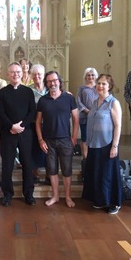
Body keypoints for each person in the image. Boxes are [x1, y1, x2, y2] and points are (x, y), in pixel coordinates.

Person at [36, 71, 79, 207]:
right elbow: (38, 122)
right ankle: (55, 196)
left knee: (67, 170)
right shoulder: (43, 100)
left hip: (65, 140)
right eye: (49, 81)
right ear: (46, 84)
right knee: (52, 170)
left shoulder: (69, 98)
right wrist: (41, 140)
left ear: (59, 81)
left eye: (54, 80)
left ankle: (67, 197)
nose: (52, 83)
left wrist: (73, 138)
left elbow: (76, 119)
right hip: (48, 141)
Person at [82, 74, 122, 214]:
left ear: (109, 86)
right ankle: (100, 200)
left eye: (104, 84)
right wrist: (87, 143)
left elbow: (118, 126)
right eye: (98, 83)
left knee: (108, 175)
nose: (100, 86)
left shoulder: (113, 103)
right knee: (97, 174)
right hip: (94, 143)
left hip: (107, 144)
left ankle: (114, 202)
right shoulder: (94, 102)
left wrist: (115, 146)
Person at [0, 62, 36, 207]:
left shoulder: (28, 91)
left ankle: (29, 194)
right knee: (7, 165)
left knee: (27, 163)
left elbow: (32, 111)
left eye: (18, 72)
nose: (15, 74)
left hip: (25, 132)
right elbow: (0, 113)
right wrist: (11, 126)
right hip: (8, 132)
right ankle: (7, 194)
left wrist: (21, 126)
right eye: (12, 72)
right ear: (7, 75)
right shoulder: (2, 92)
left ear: (22, 73)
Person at [30, 64, 48, 185]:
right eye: (35, 74)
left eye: (39, 74)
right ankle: (35, 175)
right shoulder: (28, 90)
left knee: (49, 150)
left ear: (43, 75)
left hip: (48, 124)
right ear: (31, 76)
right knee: (34, 150)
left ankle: (49, 175)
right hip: (33, 124)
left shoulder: (50, 88)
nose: (37, 76)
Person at [76, 68, 99, 160]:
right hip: (84, 117)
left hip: (97, 117)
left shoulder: (98, 87)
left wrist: (96, 111)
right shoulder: (81, 88)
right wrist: (86, 111)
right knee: (85, 137)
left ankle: (94, 157)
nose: (90, 77)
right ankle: (86, 158)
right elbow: (78, 101)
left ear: (95, 76)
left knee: (95, 137)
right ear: (85, 77)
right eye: (88, 75)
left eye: (92, 75)